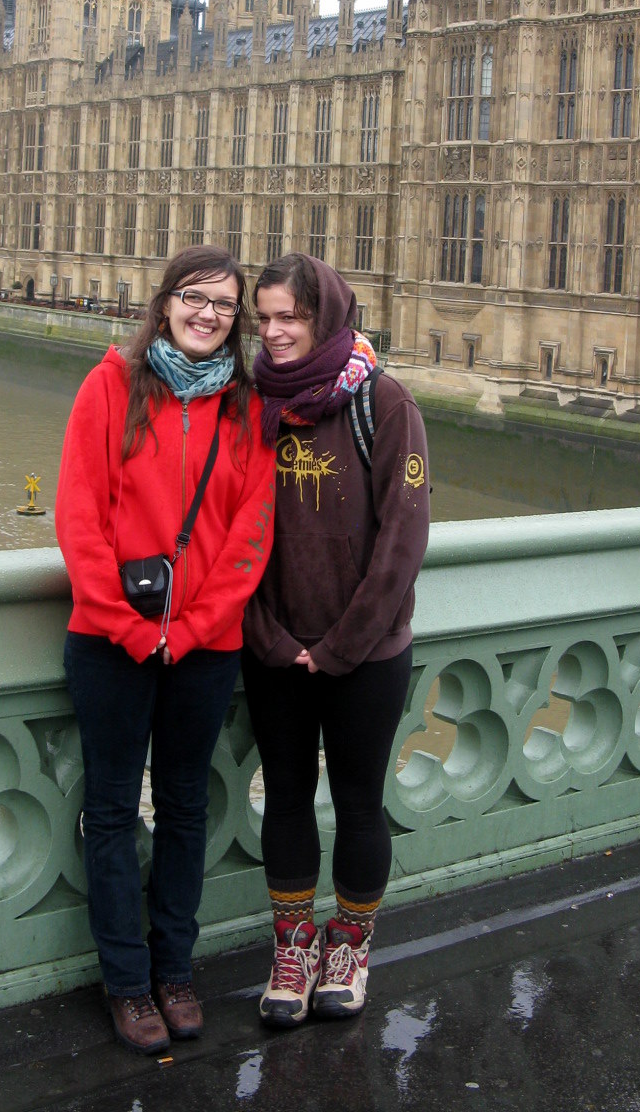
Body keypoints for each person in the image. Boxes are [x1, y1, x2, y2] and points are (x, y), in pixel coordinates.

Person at [55, 246, 277, 1054]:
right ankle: (126, 985)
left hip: (203, 647)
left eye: (224, 304)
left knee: (185, 807)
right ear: (166, 303)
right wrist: (122, 622)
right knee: (111, 811)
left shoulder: (250, 409)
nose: (208, 313)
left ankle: (174, 971)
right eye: (194, 297)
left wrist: (187, 630)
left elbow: (251, 536)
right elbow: (79, 515)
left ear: (237, 321)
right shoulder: (110, 384)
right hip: (109, 642)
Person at [243, 253, 430, 1025]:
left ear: (328, 317)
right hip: (276, 651)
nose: (276, 332)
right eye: (265, 318)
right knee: (284, 801)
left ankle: (347, 949)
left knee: (359, 805)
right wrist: (270, 636)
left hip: (366, 656)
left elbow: (403, 538)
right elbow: (230, 532)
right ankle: (293, 947)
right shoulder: (250, 402)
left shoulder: (384, 403)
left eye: (291, 316)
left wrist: (344, 644)